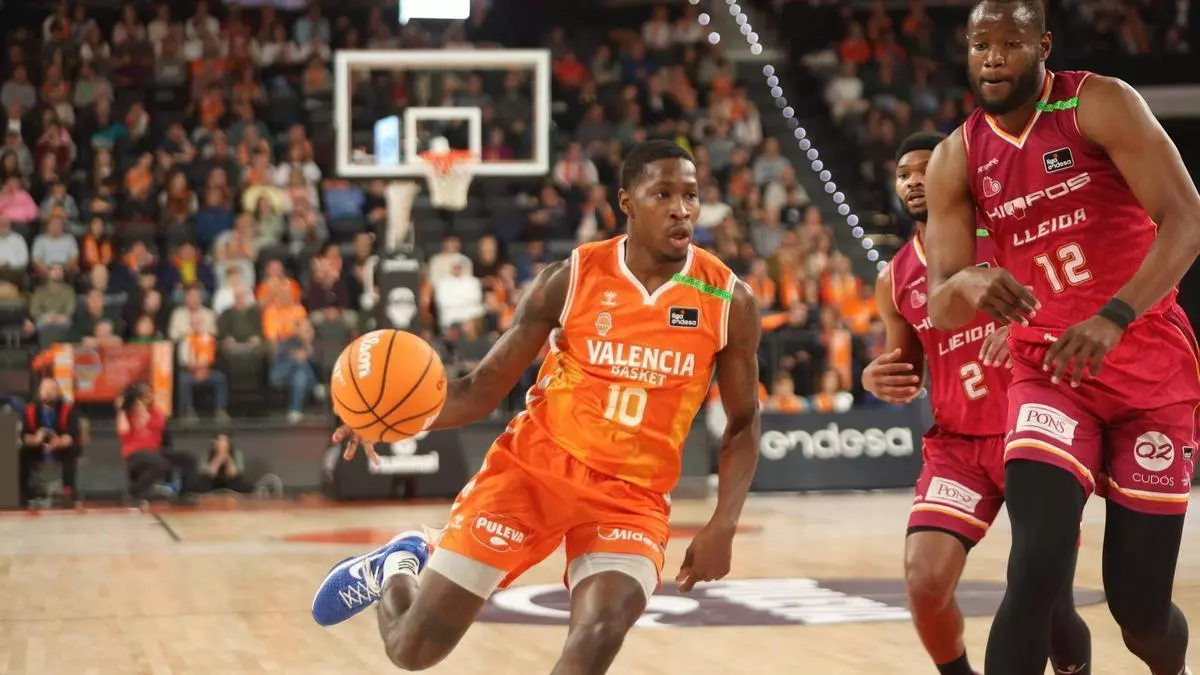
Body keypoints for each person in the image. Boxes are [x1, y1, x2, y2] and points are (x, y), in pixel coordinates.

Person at [311, 140, 763, 674]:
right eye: (662, 194)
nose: (681, 209)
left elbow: (743, 423)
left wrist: (724, 523)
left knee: (601, 629)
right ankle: (398, 563)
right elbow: (480, 388)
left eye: (690, 195)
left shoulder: (728, 300)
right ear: (627, 201)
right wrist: (389, 417)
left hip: (630, 497)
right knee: (412, 650)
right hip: (532, 472)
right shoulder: (570, 279)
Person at [923, 1, 1200, 673]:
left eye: (1010, 43)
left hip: (1149, 365)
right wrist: (970, 283)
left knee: (1140, 613)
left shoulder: (1098, 104)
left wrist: (1115, 314)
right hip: (1048, 371)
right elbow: (942, 305)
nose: (993, 58)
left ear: (1042, 46)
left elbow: (1187, 220)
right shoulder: (955, 157)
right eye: (980, 45)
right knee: (1038, 561)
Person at [866, 131, 1091, 675]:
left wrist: (1026, 328)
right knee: (924, 583)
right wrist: (877, 376)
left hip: (1031, 434)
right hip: (958, 448)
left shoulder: (1009, 234)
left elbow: (1074, 295)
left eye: (925, 169)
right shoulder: (894, 277)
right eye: (903, 174)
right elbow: (907, 369)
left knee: (1051, 605)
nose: (913, 181)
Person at [18, 378, 82, 505]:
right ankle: (24, 491)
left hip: (59, 447)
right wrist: (36, 439)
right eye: (45, 389)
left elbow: (70, 436)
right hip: (38, 447)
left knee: (71, 451)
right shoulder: (30, 410)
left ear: (58, 392)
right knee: (23, 452)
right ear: (39, 392)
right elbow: (24, 436)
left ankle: (68, 490)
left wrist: (57, 442)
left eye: (52, 389)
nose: (48, 392)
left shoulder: (68, 409)